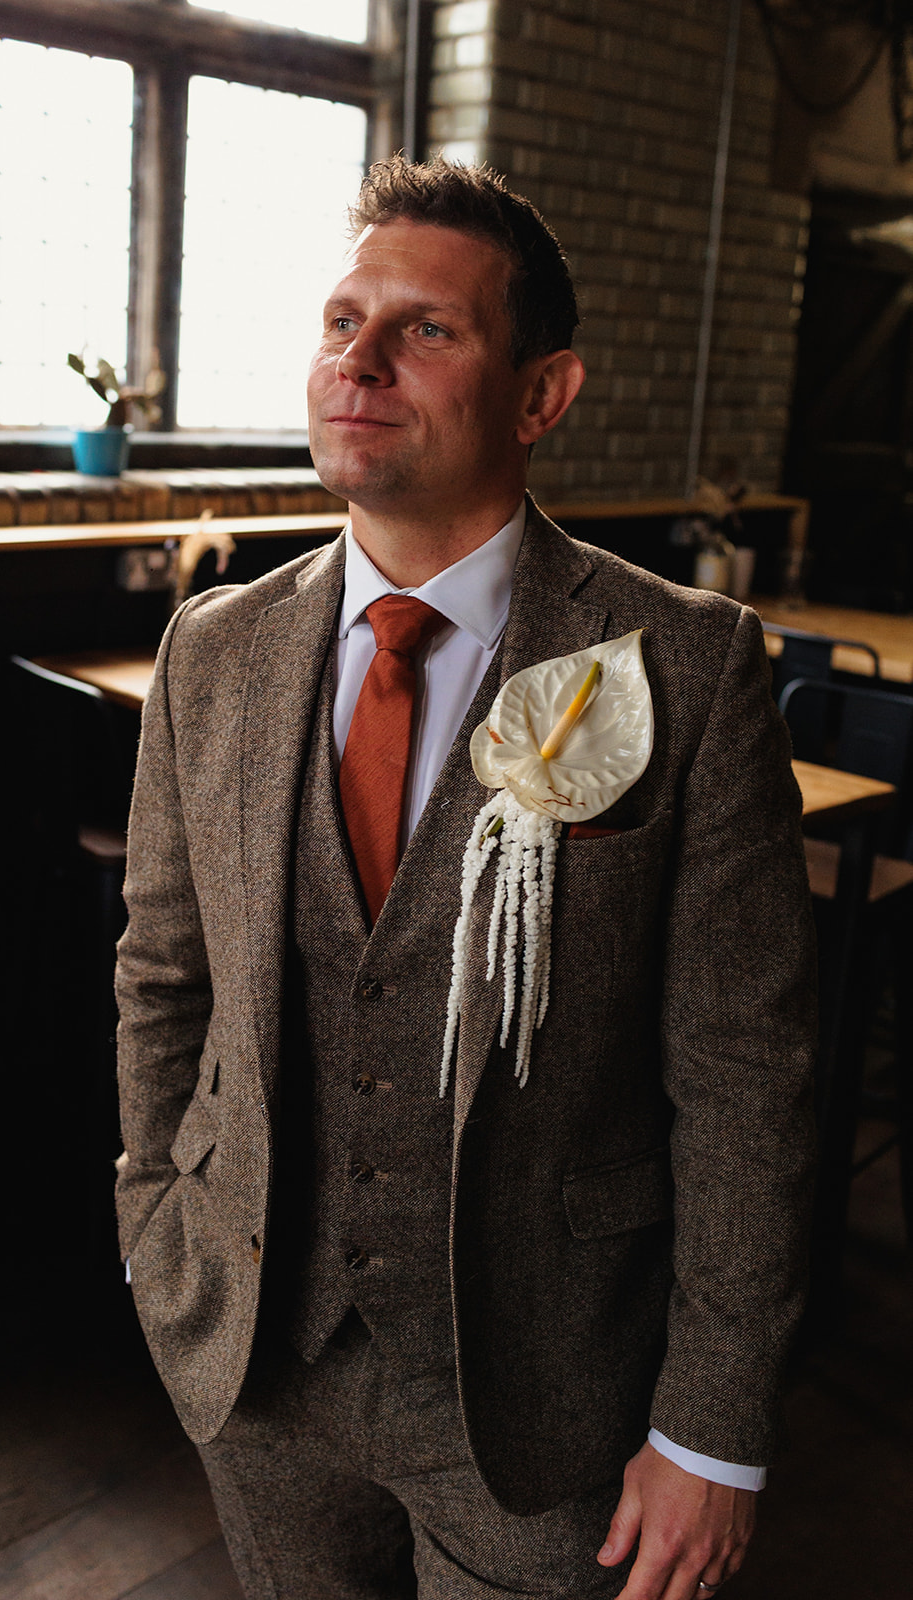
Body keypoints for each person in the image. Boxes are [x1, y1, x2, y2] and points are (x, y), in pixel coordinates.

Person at [114, 156, 817, 1600]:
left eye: (423, 329)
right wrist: (151, 1224)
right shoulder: (215, 649)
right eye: (338, 319)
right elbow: (162, 973)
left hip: (550, 1399)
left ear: (541, 395)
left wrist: (714, 1429)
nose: (356, 361)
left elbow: (748, 1077)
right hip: (257, 1368)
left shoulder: (686, 664)